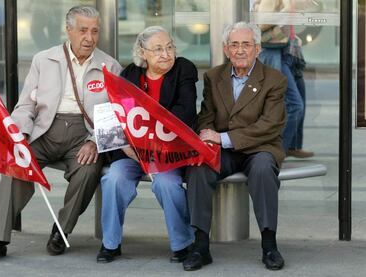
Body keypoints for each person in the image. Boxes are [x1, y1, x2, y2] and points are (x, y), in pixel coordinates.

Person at [0, 5, 122, 263]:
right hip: (44, 129)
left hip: (83, 135)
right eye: (83, 30)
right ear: (68, 30)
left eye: (94, 31)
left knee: (88, 170)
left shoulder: (110, 66)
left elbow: (115, 115)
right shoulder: (44, 59)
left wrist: (94, 142)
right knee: (15, 167)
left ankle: (61, 229)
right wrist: (20, 135)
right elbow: (25, 105)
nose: (89, 37)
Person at [183, 22, 287, 271]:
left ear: (258, 49)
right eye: (234, 45)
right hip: (223, 151)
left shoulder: (274, 80)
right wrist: (207, 138)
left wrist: (223, 137)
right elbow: (206, 115)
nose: (240, 50)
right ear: (226, 49)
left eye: (246, 44)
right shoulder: (213, 76)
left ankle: (269, 245)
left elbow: (270, 126)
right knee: (198, 168)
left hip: (260, 147)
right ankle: (200, 246)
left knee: (262, 169)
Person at [97, 26, 197, 263]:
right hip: (133, 153)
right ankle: (110, 243)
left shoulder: (184, 69)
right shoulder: (129, 74)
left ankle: (182, 243)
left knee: (167, 184)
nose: (166, 54)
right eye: (158, 49)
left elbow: (185, 112)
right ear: (143, 53)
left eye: (170, 47)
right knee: (113, 179)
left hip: (168, 152)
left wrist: (153, 144)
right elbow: (114, 112)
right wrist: (124, 147)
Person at [255, 0, 313, 158]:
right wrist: (287, 9)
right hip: (275, 53)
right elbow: (262, 23)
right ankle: (278, 149)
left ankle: (293, 145)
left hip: (290, 52)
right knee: (295, 104)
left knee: (301, 99)